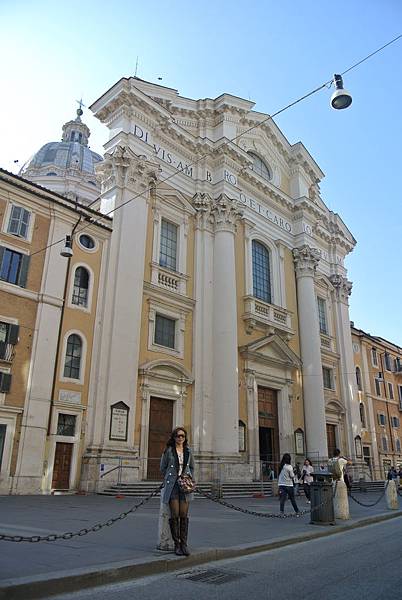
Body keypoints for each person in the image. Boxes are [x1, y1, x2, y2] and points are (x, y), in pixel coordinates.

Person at [160, 427, 195, 556]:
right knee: (174, 514)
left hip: (185, 485)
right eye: (178, 436)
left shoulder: (188, 451)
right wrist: (169, 478)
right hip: (173, 486)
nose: (180, 438)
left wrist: (190, 479)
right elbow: (162, 467)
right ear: (174, 437)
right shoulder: (168, 451)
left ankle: (184, 544)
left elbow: (192, 466)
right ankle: (177, 544)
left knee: (183, 514)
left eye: (183, 436)